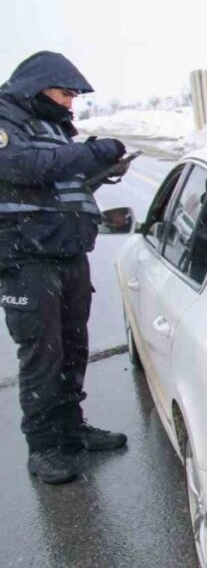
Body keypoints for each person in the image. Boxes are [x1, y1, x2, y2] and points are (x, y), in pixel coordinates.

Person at [0, 52, 131, 485]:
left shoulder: (53, 126)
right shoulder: (5, 120)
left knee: (74, 348)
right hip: (26, 259)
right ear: (37, 86)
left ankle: (72, 429)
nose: (70, 104)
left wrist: (98, 169)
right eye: (65, 94)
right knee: (42, 355)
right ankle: (44, 448)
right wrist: (89, 153)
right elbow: (23, 167)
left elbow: (58, 181)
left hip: (68, 254)